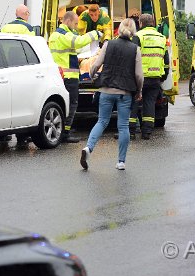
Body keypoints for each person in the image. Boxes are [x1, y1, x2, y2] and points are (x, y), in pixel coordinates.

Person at [80, 19, 143, 171]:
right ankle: (121, 161)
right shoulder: (135, 49)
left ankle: (88, 148)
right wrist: (139, 90)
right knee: (123, 126)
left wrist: (92, 75)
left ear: (119, 30)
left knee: (101, 121)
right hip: (124, 92)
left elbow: (96, 65)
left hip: (106, 90)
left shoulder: (108, 44)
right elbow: (139, 75)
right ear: (133, 31)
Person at [49, 11, 101, 143]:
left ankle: (64, 130)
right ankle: (65, 133)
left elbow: (75, 49)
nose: (77, 26)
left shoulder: (57, 34)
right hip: (68, 76)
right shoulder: (63, 35)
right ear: (68, 21)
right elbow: (78, 42)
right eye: (76, 23)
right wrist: (94, 34)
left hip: (62, 75)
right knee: (72, 104)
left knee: (65, 104)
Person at [130, 13, 170, 140]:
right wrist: (163, 77)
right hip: (155, 77)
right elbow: (166, 61)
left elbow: (133, 57)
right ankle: (146, 132)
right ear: (152, 23)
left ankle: (130, 131)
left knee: (134, 102)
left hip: (140, 77)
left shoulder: (138, 36)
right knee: (149, 103)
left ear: (141, 24)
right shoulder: (162, 38)